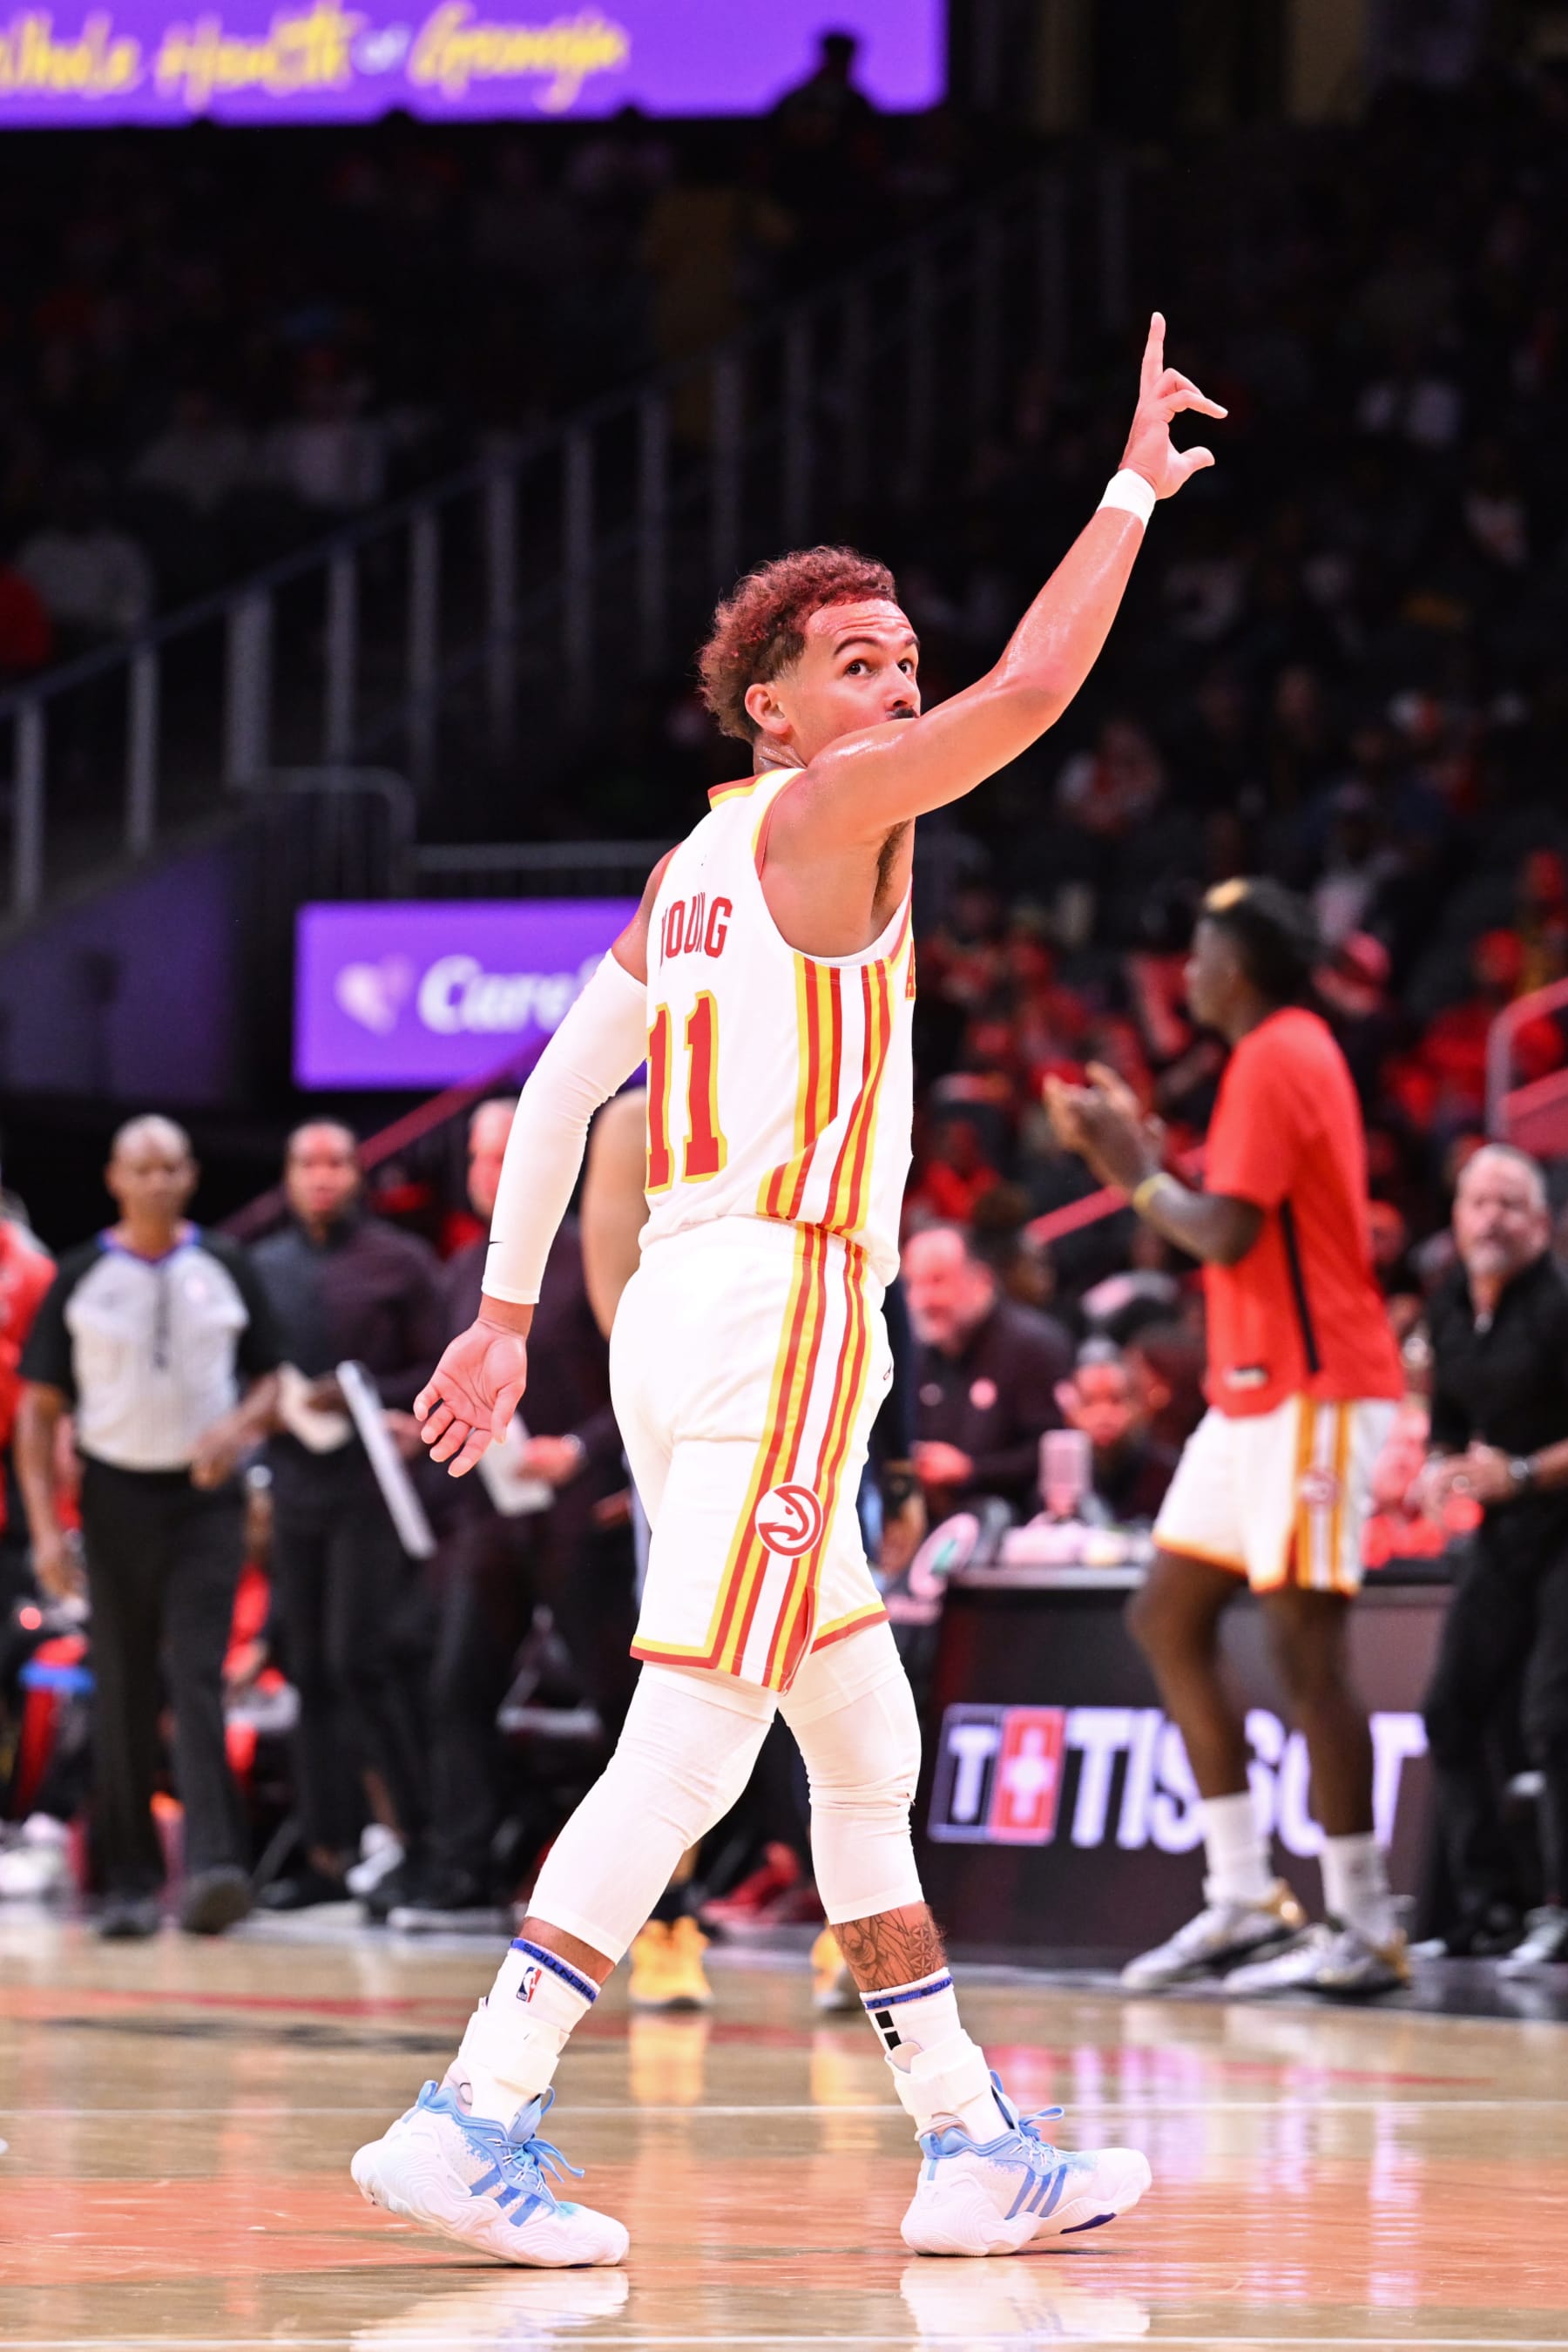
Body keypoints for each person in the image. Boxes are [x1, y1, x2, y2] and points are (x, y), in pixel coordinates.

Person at [353, 312, 1222, 2264]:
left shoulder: (694, 862)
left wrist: (504, 1315)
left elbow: (572, 1086)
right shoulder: (837, 811)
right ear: (773, 707)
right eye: (858, 661)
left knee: (868, 1750)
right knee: (698, 1730)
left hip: (687, 1311)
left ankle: (966, 2140)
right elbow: (1037, 686)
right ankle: (472, 2105)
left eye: (900, 654)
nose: (900, 680)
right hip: (785, 1308)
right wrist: (1127, 490)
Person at [1048, 879, 1407, 1998]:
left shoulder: (1277, 1054)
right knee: (1167, 1614)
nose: (1185, 975)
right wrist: (1151, 1159)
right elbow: (1235, 1218)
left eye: (1199, 955)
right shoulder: (1274, 1054)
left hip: (1316, 1388)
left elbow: (1222, 1230)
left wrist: (1126, 1168)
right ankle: (1247, 1897)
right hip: (1252, 1391)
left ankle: (1362, 1920)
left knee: (1308, 1648)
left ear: (1239, 968)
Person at [13, 1117, 280, 1938]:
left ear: (191, 1177)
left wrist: (237, 1434)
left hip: (205, 1502)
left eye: (172, 1168)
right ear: (115, 1179)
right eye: (144, 1169)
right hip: (114, 1496)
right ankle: (127, 1880)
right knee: (122, 1683)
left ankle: (214, 1869)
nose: (159, 1182)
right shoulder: (82, 1274)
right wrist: (46, 1535)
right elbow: (37, 1410)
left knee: (199, 1676)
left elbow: (272, 1379)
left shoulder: (226, 1265)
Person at [391, 1098, 633, 1931]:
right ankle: (464, 1871)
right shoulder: (464, 1274)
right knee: (458, 1687)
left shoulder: (590, 1258)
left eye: (506, 1158)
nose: (491, 1176)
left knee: (619, 1699)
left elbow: (639, 1384)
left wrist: (580, 1449)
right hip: (494, 1520)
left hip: (577, 1515)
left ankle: (636, 1888)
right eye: (481, 1161)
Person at [250, 1123, 445, 1910]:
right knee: (308, 1670)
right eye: (307, 1164)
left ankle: (416, 1838)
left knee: (362, 1659)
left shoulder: (400, 1263)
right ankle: (324, 1849)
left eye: (336, 1163)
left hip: (376, 1492)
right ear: (289, 1176)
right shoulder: (264, 1267)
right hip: (295, 1490)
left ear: (358, 1174)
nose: (321, 1177)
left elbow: (438, 1366)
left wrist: (363, 1388)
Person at [1416, 1146, 1568, 1971]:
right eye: (1480, 1202)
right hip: (1505, 1536)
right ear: (1458, 1216)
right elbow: (1446, 1416)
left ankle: (1561, 1908)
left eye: (1512, 1204)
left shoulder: (1558, 1304)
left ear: (1541, 1223)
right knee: (1450, 1711)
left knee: (1555, 1718)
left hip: (1562, 1527)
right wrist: (1441, 1465)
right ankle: (1486, 1908)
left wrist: (1515, 1472)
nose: (1494, 1218)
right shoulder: (1449, 1304)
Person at [902, 1223, 1071, 1523]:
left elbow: (1056, 1452)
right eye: (913, 1284)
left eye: (937, 1281)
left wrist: (971, 1470)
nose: (921, 1300)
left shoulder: (1032, 1346)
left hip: (1020, 1529)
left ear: (980, 1279)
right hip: (936, 1529)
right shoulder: (918, 1353)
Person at [1054, 1339, 1177, 1527]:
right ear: (1070, 1410)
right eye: (1089, 1402)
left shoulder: (1168, 1474)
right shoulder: (1056, 1479)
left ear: (1139, 1405)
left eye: (1116, 1400)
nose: (1103, 1416)